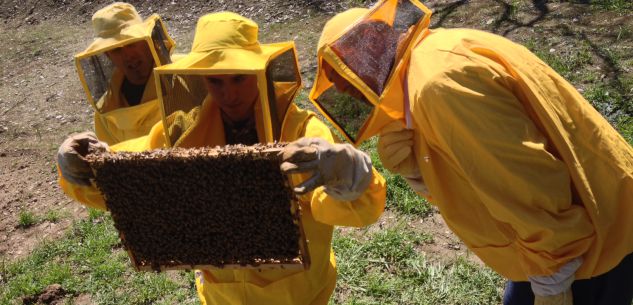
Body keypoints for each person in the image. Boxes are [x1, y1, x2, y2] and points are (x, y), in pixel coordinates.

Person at [308, 1, 633, 305]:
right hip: (555, 242)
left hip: (587, 247)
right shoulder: (431, 62)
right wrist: (419, 170)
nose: (346, 90)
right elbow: (480, 172)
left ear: (372, 51)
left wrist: (553, 284)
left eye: (345, 73)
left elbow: (528, 183)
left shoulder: (440, 86)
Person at [56, 12, 386, 305]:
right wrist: (86, 167)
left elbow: (335, 204)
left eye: (239, 78)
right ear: (202, 80)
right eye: (216, 80)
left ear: (260, 73)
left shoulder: (300, 129)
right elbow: (133, 173)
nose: (229, 93)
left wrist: (351, 176)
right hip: (220, 294)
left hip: (296, 294)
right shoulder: (182, 131)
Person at [74, 2, 177, 145]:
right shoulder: (107, 109)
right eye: (116, 50)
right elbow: (113, 158)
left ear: (148, 41)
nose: (128, 56)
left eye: (131, 43)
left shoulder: (182, 74)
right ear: (108, 56)